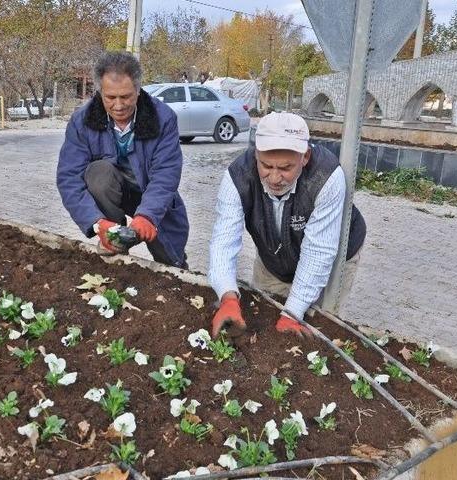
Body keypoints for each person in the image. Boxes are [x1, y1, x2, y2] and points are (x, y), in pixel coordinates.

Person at [207, 112, 366, 339]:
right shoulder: (238, 177)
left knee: (318, 324)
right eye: (266, 165)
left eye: (285, 168)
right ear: (256, 156)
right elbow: (224, 239)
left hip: (332, 258)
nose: (274, 177)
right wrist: (228, 296)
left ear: (305, 157)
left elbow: (319, 251)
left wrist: (292, 312)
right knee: (264, 312)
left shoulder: (326, 178)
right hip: (274, 256)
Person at [56, 51, 189, 268]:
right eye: (110, 97)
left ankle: (175, 265)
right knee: (98, 173)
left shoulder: (162, 118)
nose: (118, 105)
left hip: (150, 192)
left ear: (137, 90)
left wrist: (148, 215)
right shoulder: (82, 121)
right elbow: (69, 177)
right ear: (100, 92)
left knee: (170, 260)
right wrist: (97, 223)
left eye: (125, 96)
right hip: (112, 192)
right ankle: (114, 240)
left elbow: (166, 173)